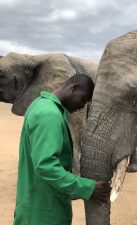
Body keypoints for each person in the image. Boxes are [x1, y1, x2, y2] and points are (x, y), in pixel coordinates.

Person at [13, 74, 111, 225]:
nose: (82, 106)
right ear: (74, 88)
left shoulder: (42, 105)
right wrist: (87, 188)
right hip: (42, 212)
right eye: (84, 99)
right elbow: (46, 166)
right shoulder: (49, 114)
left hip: (40, 202)